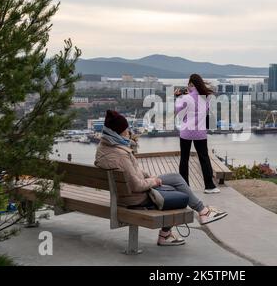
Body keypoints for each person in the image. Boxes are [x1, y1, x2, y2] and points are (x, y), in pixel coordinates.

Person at [94, 110, 228, 247]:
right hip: (134, 198)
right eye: (125, 129)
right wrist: (154, 181)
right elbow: (137, 186)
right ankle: (175, 229)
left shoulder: (104, 147)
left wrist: (148, 176)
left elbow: (131, 173)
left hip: (121, 193)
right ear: (117, 132)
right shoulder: (120, 154)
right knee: (178, 194)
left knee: (175, 178)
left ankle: (202, 212)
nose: (128, 131)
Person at [175, 74, 220, 194]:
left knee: (184, 159)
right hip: (200, 133)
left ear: (191, 84)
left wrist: (178, 97)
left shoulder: (185, 98)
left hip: (186, 132)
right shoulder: (206, 98)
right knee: (204, 158)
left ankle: (184, 187)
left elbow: (178, 111)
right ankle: (209, 186)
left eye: (188, 84)